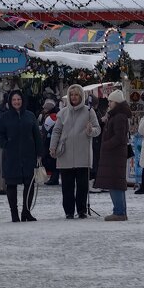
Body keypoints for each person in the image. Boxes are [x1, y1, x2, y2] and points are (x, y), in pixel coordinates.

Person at [50, 84, 101, 219]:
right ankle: (68, 211)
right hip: (65, 152)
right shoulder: (62, 113)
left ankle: (82, 209)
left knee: (82, 185)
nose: (73, 97)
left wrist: (90, 130)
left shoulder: (89, 111)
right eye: (71, 95)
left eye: (76, 94)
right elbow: (56, 131)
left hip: (82, 153)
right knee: (67, 185)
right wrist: (52, 146)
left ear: (81, 96)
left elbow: (97, 130)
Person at [0, 89, 44, 222]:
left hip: (29, 155)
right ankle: (14, 213)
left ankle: (26, 212)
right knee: (11, 184)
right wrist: (6, 144)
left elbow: (37, 136)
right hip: (11, 156)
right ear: (10, 101)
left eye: (19, 99)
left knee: (29, 183)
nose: (17, 102)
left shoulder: (30, 116)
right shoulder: (4, 117)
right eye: (14, 100)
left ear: (23, 101)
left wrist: (39, 152)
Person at [95, 90, 130, 221]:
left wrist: (105, 144)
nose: (108, 103)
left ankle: (119, 212)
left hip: (114, 155)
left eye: (111, 101)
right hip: (115, 155)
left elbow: (119, 137)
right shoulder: (117, 115)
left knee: (114, 183)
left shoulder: (119, 117)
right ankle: (121, 211)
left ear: (117, 102)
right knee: (117, 183)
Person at [39, 99, 60, 184]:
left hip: (49, 142)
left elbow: (47, 130)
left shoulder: (51, 117)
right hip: (50, 141)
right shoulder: (54, 116)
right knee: (52, 160)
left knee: (51, 160)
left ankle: (54, 178)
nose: (43, 110)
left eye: (45, 108)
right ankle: (53, 177)